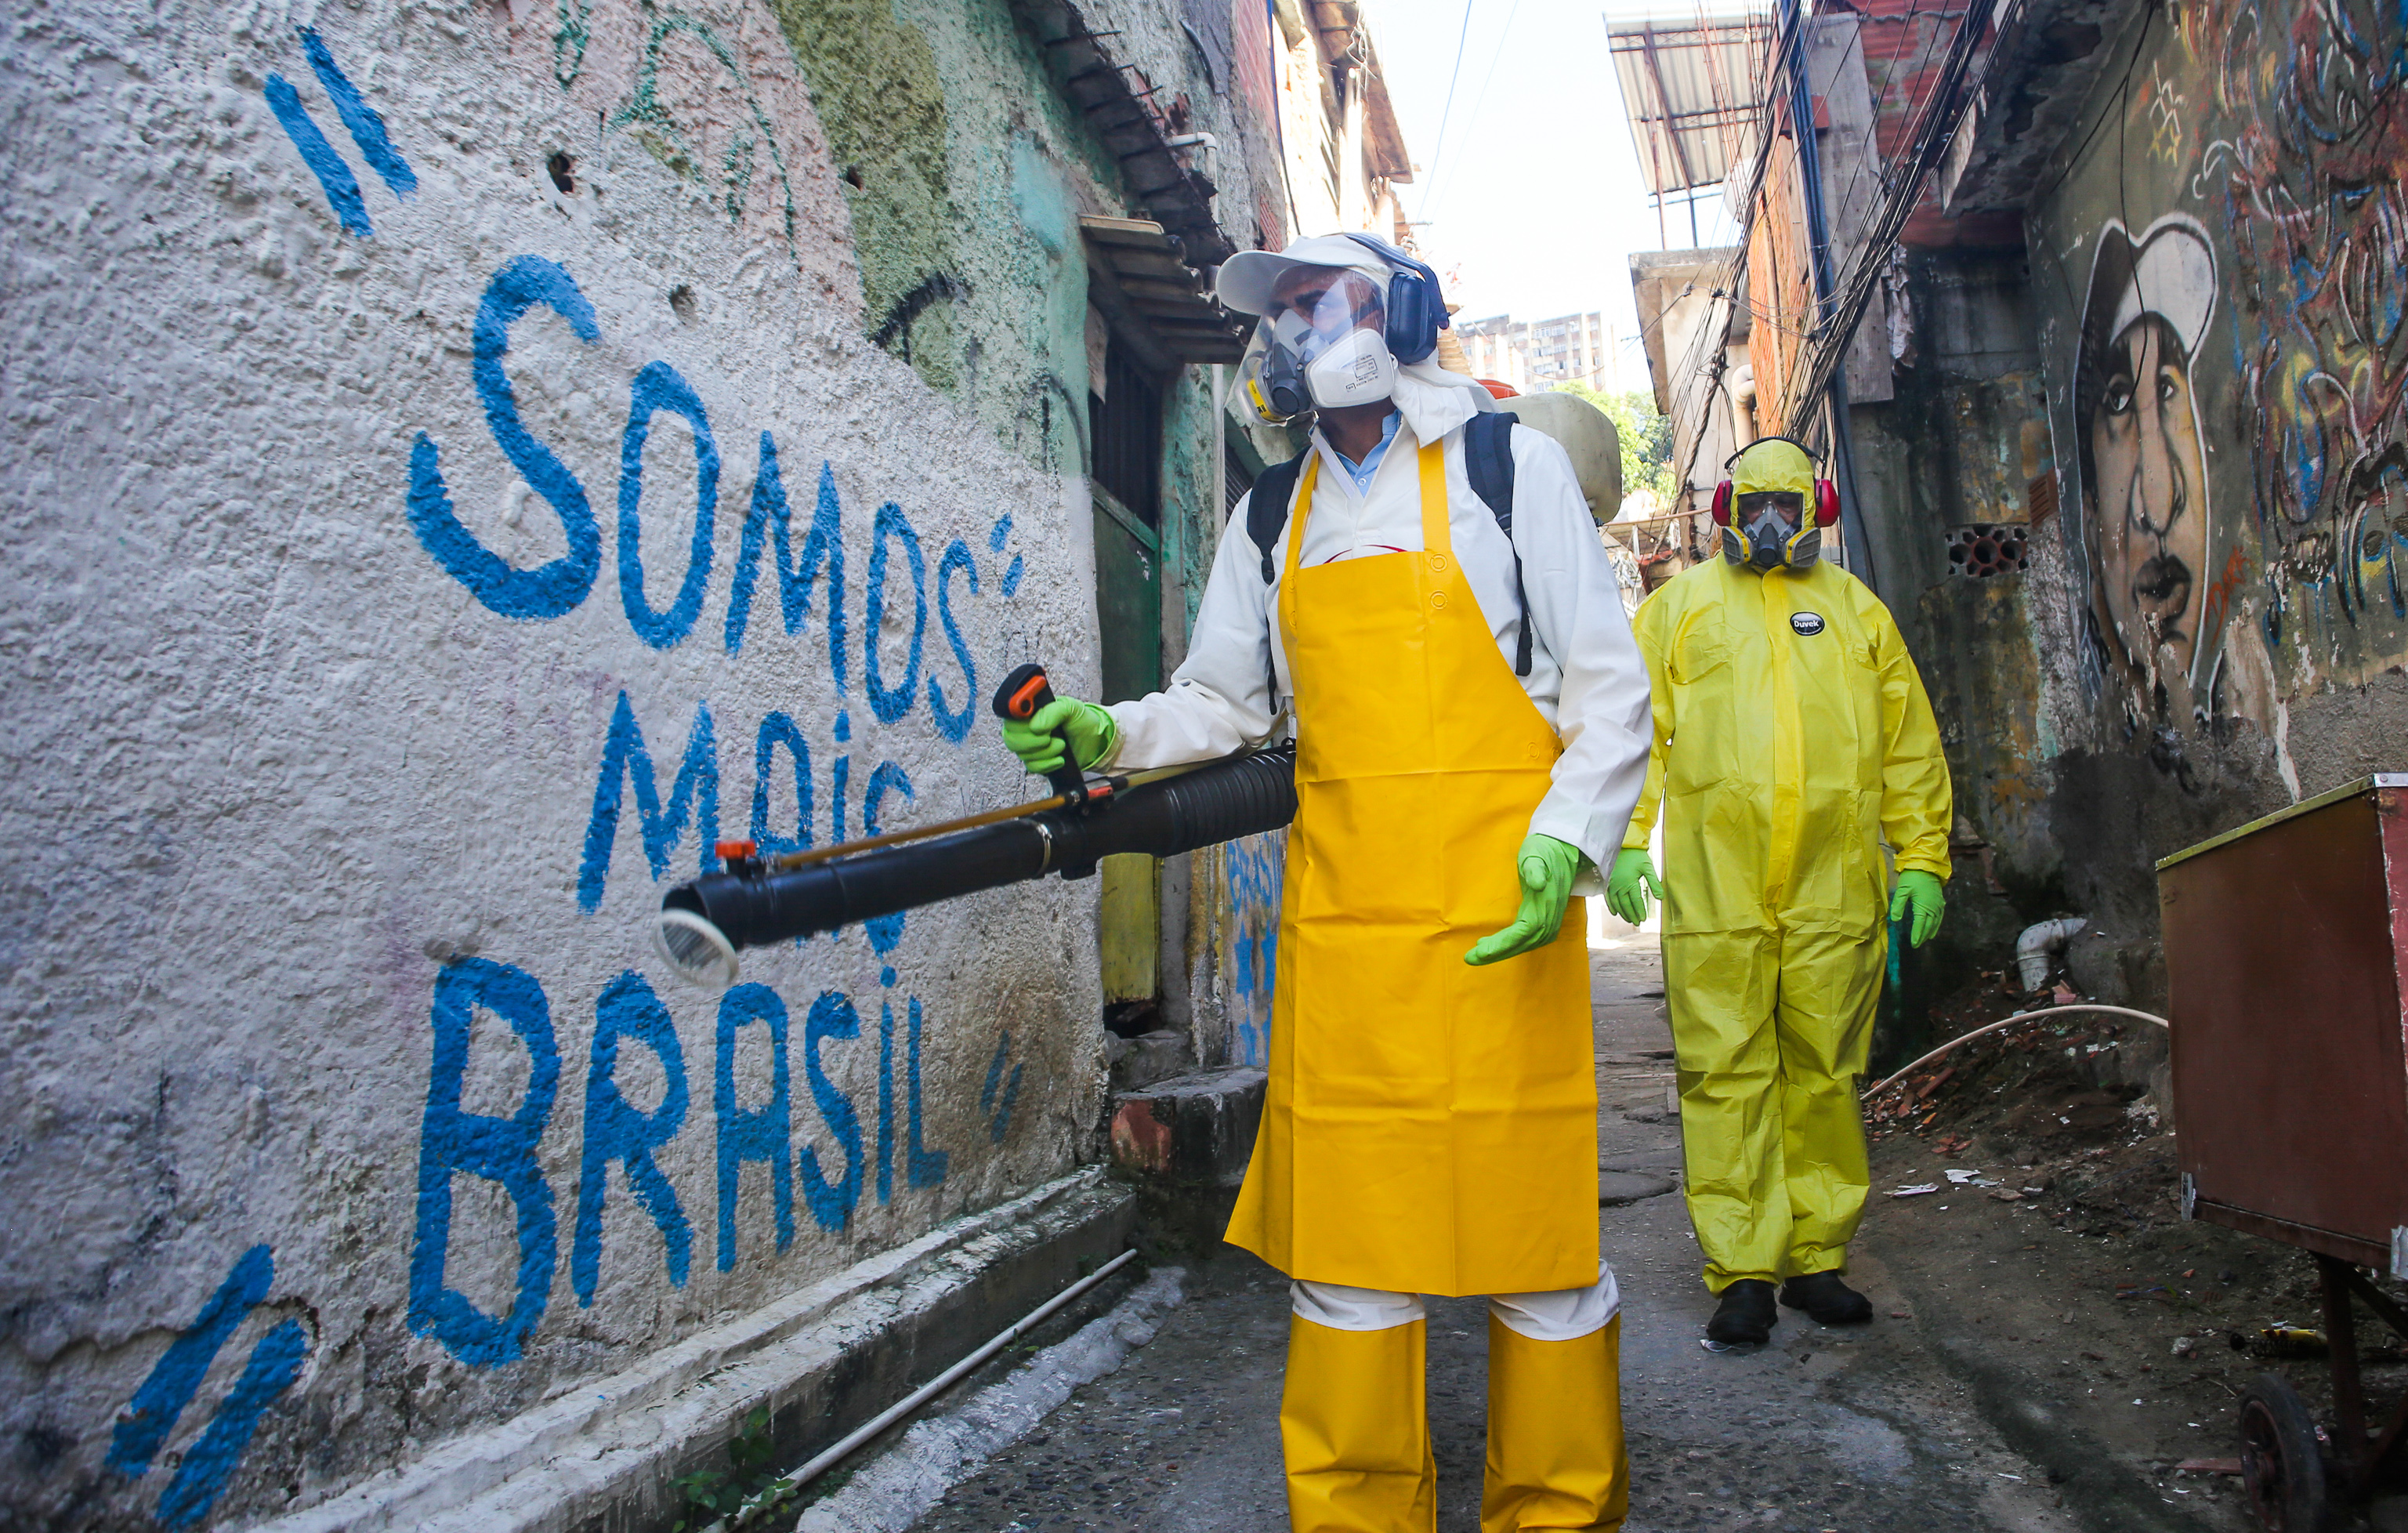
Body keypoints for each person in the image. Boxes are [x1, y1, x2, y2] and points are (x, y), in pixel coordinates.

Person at [1001, 232, 1653, 1531]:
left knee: (1536, 1262)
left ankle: (1557, 1512)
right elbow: (1221, 701)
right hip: (1347, 942)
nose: (1292, 329)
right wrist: (1110, 734)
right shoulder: (1270, 513)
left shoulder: (1502, 466)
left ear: (1398, 308)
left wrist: (1565, 840)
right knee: (1350, 1272)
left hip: (1497, 931)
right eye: (1280, 312)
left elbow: (1608, 690)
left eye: (1315, 300)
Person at [1604, 437, 1952, 1346]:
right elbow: (1634, 734)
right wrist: (1627, 841)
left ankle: (1816, 1259)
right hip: (1719, 890)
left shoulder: (1857, 614)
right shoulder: (1677, 612)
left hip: (1831, 888)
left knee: (1825, 1074)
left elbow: (1908, 743)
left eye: (1784, 508)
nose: (1767, 524)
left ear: (1815, 510)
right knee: (1724, 1074)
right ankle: (1744, 1269)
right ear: (1725, 509)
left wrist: (1920, 856)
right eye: (1751, 506)